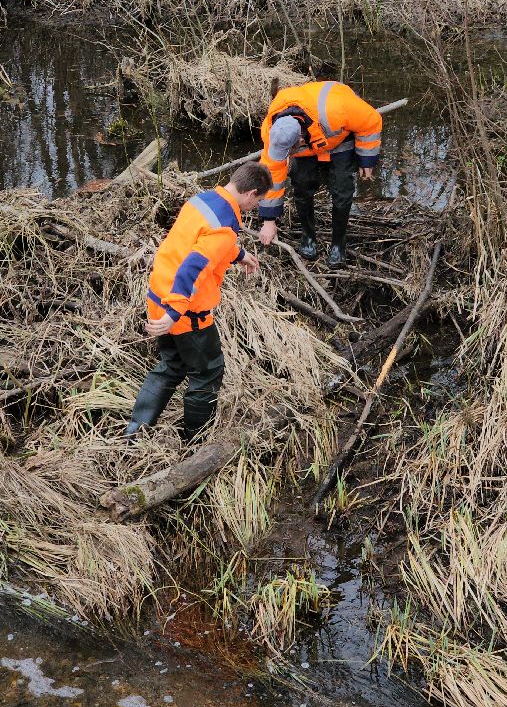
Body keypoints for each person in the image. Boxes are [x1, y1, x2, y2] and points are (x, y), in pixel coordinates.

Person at [124, 162, 272, 442]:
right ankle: (195, 441)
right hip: (185, 311)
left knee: (172, 365)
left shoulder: (202, 200)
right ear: (251, 193)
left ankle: (135, 431)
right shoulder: (225, 225)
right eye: (259, 201)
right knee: (208, 371)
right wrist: (176, 311)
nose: (255, 207)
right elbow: (194, 266)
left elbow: (195, 242)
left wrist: (239, 255)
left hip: (158, 294)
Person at [257, 80, 382, 268]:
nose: (286, 157)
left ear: (299, 140)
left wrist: (367, 158)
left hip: (339, 137)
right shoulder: (273, 133)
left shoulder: (339, 108)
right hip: (310, 146)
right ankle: (309, 238)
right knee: (301, 184)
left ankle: (338, 244)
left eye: (289, 152)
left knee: (342, 190)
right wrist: (269, 220)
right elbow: (273, 175)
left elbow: (371, 121)